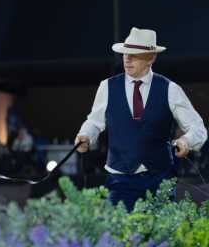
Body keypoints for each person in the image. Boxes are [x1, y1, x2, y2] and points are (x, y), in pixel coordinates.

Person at [75, 27, 207, 211]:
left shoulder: (170, 89)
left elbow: (198, 128)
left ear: (151, 58)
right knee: (119, 236)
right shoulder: (107, 87)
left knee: (163, 237)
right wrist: (86, 135)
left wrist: (186, 140)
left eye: (134, 54)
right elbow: (94, 122)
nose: (127, 59)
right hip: (120, 179)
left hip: (160, 180)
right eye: (125, 53)